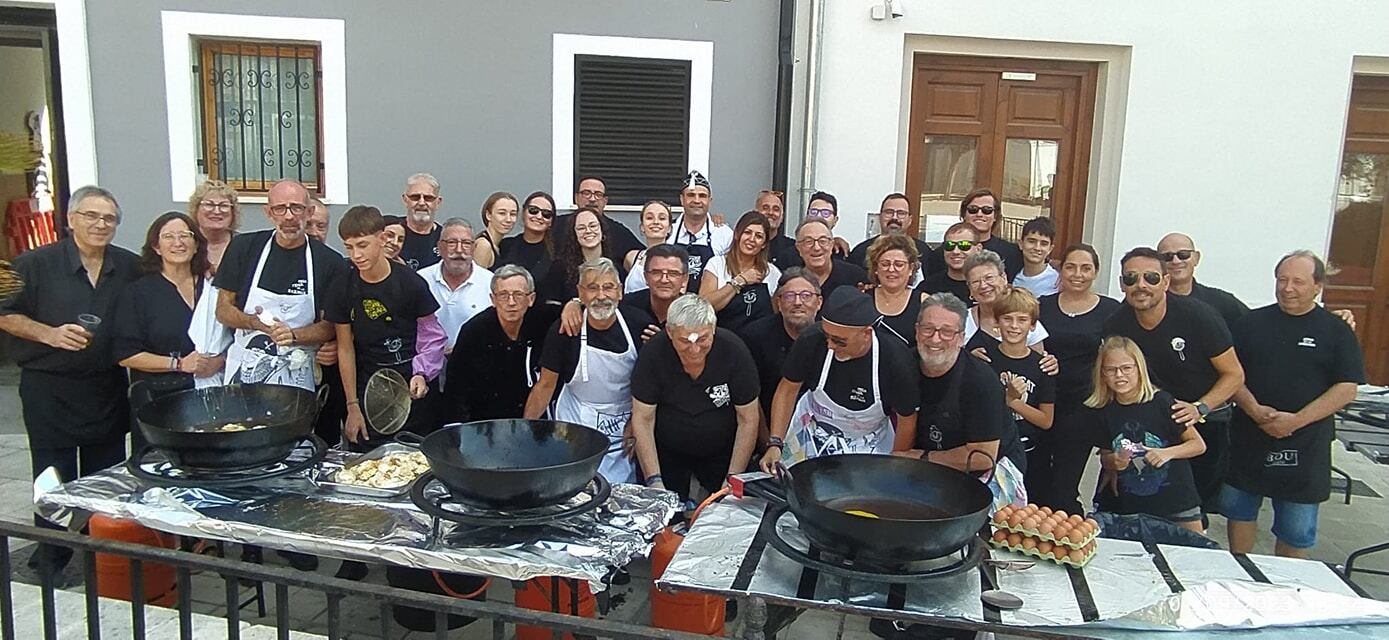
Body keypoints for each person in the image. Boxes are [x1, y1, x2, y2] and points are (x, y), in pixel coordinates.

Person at [0, 186, 139, 577]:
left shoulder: (127, 266)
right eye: (91, 216)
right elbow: (2, 310)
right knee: (52, 475)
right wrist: (48, 334)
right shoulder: (31, 263)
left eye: (109, 218)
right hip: (49, 386)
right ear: (70, 219)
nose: (100, 224)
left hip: (105, 385)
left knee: (104, 475)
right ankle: (52, 554)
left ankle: (102, 556)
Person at [1223, 250, 1363, 558]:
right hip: (1250, 435)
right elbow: (1230, 375)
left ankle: (1288, 588)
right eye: (1282, 279)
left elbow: (1346, 388)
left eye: (1298, 281)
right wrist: (1254, 409)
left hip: (1306, 443)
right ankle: (1241, 573)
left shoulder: (1336, 330)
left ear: (1317, 286)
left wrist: (1296, 420)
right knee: (1239, 510)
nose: (1288, 288)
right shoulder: (1250, 323)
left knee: (1297, 529)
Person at [1103, 246, 1244, 523]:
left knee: (1191, 515)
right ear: (1122, 284)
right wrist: (1109, 454)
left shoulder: (1200, 317)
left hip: (1200, 424)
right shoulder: (1116, 324)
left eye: (1151, 278)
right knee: (1136, 512)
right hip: (1142, 430)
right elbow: (1110, 383)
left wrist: (1200, 407)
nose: (1140, 285)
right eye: (1131, 278)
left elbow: (1234, 374)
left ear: (1166, 282)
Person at [524, 258, 654, 484]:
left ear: (620, 292)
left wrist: (637, 422)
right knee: (573, 486)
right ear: (580, 293)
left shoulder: (638, 324)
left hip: (625, 425)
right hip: (575, 421)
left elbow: (651, 383)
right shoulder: (565, 330)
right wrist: (524, 434)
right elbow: (545, 385)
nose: (601, 296)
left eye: (608, 287)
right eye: (592, 288)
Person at [759, 288, 919, 470]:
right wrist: (775, 443)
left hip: (867, 440)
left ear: (866, 334)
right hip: (810, 428)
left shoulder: (896, 360)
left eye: (839, 341)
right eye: (827, 336)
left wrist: (896, 463)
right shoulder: (812, 340)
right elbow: (787, 390)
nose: (830, 345)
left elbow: (907, 419)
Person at [327, 206, 446, 445]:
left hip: (412, 386)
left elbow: (432, 337)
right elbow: (345, 348)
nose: (356, 255)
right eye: (349, 247)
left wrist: (422, 373)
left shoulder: (410, 282)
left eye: (362, 245)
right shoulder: (342, 286)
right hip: (367, 387)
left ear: (382, 239)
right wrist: (352, 406)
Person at [214, 180, 345, 392]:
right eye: (280, 208)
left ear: (309, 211)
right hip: (245, 364)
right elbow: (222, 310)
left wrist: (293, 335)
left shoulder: (330, 262)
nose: (289, 216)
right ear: (268, 212)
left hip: (298, 368)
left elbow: (330, 325)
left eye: (296, 208)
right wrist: (253, 322)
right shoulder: (244, 248)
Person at [630, 294, 760, 503]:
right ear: (670, 332)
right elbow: (643, 418)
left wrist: (732, 479)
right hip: (667, 450)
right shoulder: (654, 352)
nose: (694, 349)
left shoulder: (734, 351)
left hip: (722, 450)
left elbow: (748, 418)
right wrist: (654, 480)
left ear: (714, 330)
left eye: (703, 339)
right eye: (684, 341)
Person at [895, 293, 1028, 494]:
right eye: (928, 329)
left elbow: (983, 455)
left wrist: (921, 457)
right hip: (927, 464)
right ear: (916, 331)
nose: (935, 338)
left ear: (961, 338)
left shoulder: (980, 381)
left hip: (989, 470)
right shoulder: (904, 365)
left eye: (947, 332)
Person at [114, 212, 223, 436]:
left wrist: (220, 361)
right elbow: (125, 353)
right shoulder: (138, 293)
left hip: (216, 398)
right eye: (169, 237)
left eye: (185, 235)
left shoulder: (215, 289)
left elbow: (237, 338)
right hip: (160, 403)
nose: (178, 243)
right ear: (156, 247)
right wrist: (179, 364)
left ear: (196, 245)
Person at [1034, 244, 1122, 513]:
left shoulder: (1110, 310)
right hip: (1042, 403)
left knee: (1064, 485)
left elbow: (1118, 357)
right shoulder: (1043, 305)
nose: (1077, 274)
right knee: (1037, 480)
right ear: (1061, 270)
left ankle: (1069, 539)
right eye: (1071, 267)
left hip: (1083, 407)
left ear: (1096, 272)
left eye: (1086, 268)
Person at [1090, 336, 1207, 533]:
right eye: (1111, 370)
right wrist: (1114, 461)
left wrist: (1166, 453)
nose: (1119, 375)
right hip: (1129, 504)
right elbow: (1105, 455)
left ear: (1139, 368)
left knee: (1194, 554)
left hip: (1176, 500)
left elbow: (1197, 444)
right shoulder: (1103, 409)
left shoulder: (1162, 402)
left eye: (1127, 368)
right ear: (1102, 374)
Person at [444, 265, 559, 421]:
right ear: (493, 299)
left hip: (537, 421)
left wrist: (573, 305)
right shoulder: (474, 331)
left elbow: (579, 311)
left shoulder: (545, 320)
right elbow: (456, 387)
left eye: (518, 295)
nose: (511, 302)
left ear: (530, 299)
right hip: (485, 423)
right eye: (503, 295)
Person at [979, 288, 1055, 496]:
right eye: (1007, 319)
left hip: (1030, 451)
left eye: (1022, 320)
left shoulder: (1043, 366)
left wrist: (1013, 402)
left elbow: (1046, 420)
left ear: (1032, 325)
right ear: (996, 322)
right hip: (991, 451)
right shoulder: (983, 358)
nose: (1014, 326)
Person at [743, 269, 823, 435]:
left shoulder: (832, 337)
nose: (798, 302)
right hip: (771, 428)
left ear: (819, 302)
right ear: (778, 303)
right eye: (789, 296)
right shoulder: (755, 336)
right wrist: (769, 444)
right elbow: (751, 399)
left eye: (806, 295)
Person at [304, 198, 346, 445]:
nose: (314, 232)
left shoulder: (337, 265)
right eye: (309, 225)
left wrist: (337, 342)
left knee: (326, 437)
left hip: (327, 370)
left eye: (321, 226)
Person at [418, 218, 493, 353]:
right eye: (452, 242)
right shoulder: (421, 280)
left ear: (474, 248)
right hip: (425, 368)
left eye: (466, 243)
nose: (459, 250)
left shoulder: (490, 283)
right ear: (440, 247)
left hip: (475, 365)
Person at [699, 211, 781, 334]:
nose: (752, 239)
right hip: (724, 340)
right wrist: (739, 281)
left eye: (758, 236)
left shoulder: (773, 273)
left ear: (764, 244)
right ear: (737, 234)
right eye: (747, 232)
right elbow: (704, 306)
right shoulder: (717, 264)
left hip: (759, 344)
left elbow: (776, 315)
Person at [924, 189, 1023, 281]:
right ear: (964, 214)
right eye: (973, 209)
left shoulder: (1012, 253)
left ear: (995, 216)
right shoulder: (944, 253)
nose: (979, 214)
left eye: (987, 210)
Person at [961, 250, 1049, 353]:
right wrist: (970, 359)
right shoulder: (962, 320)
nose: (983, 285)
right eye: (975, 281)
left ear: (1004, 278)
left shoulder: (1024, 316)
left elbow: (1038, 361)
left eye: (989, 278)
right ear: (969, 288)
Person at [1156, 233, 1248, 327]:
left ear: (1196, 258)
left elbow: (1253, 325)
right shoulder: (1150, 302)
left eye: (1183, 254)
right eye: (1167, 256)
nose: (1176, 261)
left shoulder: (1221, 302)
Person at [555, 175, 645, 273]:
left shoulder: (619, 232)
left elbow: (643, 258)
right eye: (586, 193)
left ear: (605, 201)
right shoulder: (557, 226)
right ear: (576, 198)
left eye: (598, 194)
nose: (592, 199)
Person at [666, 171, 733, 291]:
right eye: (691, 195)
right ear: (682, 199)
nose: (697, 200)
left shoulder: (724, 234)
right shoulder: (668, 231)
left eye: (702, 196)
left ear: (710, 200)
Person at [848, 193, 931, 283]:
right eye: (889, 212)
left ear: (910, 220)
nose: (894, 217)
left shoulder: (924, 251)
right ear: (880, 217)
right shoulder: (860, 252)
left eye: (901, 213)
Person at [538, 207, 608, 304]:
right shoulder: (560, 268)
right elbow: (551, 306)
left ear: (602, 230)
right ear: (574, 235)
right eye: (581, 228)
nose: (588, 231)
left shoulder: (614, 267)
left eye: (593, 226)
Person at [619, 244, 688, 338]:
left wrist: (661, 343)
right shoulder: (625, 307)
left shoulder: (694, 313)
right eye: (656, 273)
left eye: (673, 273)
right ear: (646, 277)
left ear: (685, 279)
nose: (664, 280)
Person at [866, 234, 922, 347]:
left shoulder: (924, 302)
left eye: (899, 264)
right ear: (876, 268)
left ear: (911, 269)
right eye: (885, 264)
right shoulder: (862, 300)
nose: (891, 269)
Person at [792, 218, 868, 299]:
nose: (816, 248)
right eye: (808, 242)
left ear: (831, 245)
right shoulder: (791, 279)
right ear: (798, 248)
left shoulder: (855, 277)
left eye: (823, 241)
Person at [497, 191, 556, 287]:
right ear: (523, 213)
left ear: (551, 222)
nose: (539, 216)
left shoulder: (557, 253)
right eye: (533, 210)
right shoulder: (505, 245)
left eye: (546, 214)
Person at [914, 222, 980, 303]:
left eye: (964, 245)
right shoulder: (927, 287)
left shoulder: (987, 286)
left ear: (978, 249)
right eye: (949, 245)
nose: (956, 251)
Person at [187, 179, 239, 272]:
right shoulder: (185, 243)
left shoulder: (245, 246)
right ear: (196, 209)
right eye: (209, 204)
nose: (216, 211)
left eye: (224, 206)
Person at [623, 200, 674, 293]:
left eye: (662, 218)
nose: (656, 222)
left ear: (669, 228)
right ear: (642, 227)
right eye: (650, 218)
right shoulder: (632, 257)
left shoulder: (677, 259)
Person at [399, 173, 444, 270]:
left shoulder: (445, 238)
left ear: (438, 202)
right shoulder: (390, 232)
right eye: (415, 197)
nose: (421, 203)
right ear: (405, 200)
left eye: (428, 198)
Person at [1013, 217, 1059, 297]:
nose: (1037, 248)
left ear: (1050, 249)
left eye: (1044, 244)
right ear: (1021, 244)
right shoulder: (1013, 279)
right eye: (1031, 241)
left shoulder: (1057, 282)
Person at [472, 191, 519, 270]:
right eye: (502, 213)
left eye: (513, 214)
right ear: (488, 215)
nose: (508, 219)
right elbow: (478, 280)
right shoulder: (484, 245)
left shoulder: (501, 246)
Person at [756, 190, 798, 269]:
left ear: (782, 217)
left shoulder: (793, 249)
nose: (770, 212)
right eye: (765, 208)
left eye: (776, 209)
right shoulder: (746, 244)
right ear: (756, 213)